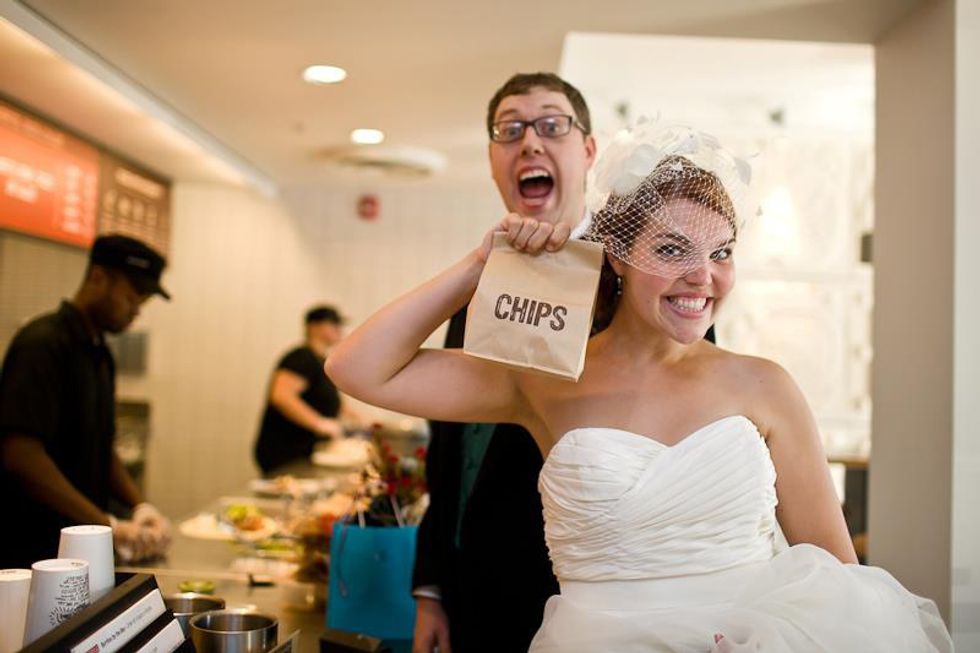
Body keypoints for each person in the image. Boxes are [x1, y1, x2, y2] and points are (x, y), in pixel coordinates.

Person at [324, 122, 952, 651]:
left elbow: (838, 576)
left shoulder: (764, 385)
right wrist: (478, 265)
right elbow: (357, 368)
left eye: (722, 252)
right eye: (673, 250)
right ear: (617, 256)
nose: (703, 276)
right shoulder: (546, 378)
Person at [408, 72, 596, 653]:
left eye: (552, 125)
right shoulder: (477, 285)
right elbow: (451, 451)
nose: (530, 143)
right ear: (493, 162)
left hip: (583, 603)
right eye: (510, 130)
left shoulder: (638, 282)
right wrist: (432, 589)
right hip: (471, 598)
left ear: (588, 150)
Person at [0, 234, 173, 568]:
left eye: (142, 302)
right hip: (33, 550)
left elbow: (101, 447)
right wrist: (105, 524)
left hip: (80, 552)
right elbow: (21, 455)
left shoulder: (99, 354)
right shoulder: (42, 344)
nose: (136, 310)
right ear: (98, 277)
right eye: (131, 296)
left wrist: (140, 506)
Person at [253, 304, 361, 476]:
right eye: (334, 323)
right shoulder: (301, 357)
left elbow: (330, 402)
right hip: (286, 449)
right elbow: (281, 396)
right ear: (314, 327)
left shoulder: (321, 362)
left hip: (307, 450)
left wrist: (362, 420)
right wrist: (319, 423)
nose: (339, 328)